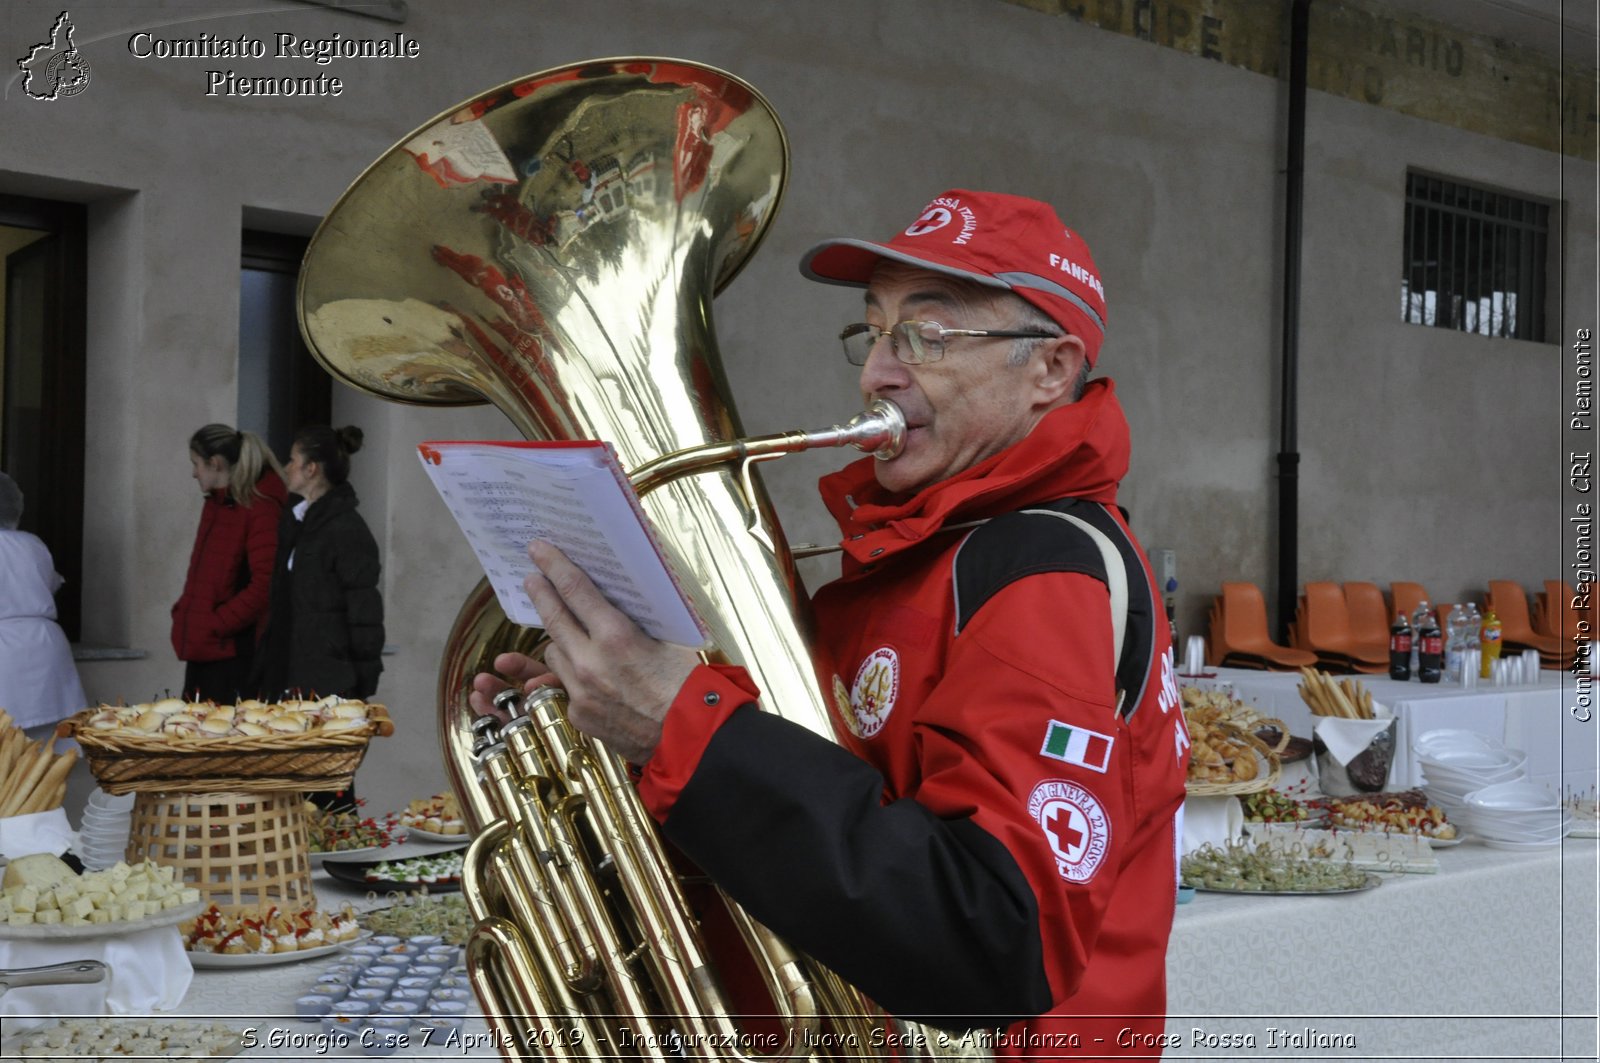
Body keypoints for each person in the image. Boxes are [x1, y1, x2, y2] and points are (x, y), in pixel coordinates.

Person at [469, 190, 1190, 1056]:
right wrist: (620, 711)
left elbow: (995, 932)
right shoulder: (917, 556)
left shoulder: (1040, 574)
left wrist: (685, 729)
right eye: (874, 331)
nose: (876, 373)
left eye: (928, 335)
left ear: (1050, 369)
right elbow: (839, 792)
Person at [252, 425, 385, 810]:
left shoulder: (346, 529)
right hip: (291, 675)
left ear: (312, 469)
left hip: (329, 679)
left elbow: (364, 612)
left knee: (328, 784)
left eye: (293, 461)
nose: (287, 468)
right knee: (289, 782)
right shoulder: (298, 522)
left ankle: (335, 862)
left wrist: (360, 684)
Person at [170, 424, 287, 703]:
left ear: (216, 463)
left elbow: (264, 584)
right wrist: (187, 614)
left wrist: (216, 624)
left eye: (196, 464)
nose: (193, 473)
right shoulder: (218, 504)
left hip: (234, 656)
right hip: (207, 650)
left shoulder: (260, 508)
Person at [0, 471, 88, 733]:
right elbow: (51, 583)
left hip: (6, 653)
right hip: (46, 647)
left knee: (8, 756)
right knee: (48, 754)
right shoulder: (33, 544)